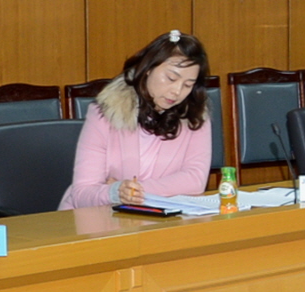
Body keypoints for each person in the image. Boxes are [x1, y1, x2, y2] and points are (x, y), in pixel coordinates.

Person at [62, 31, 216, 208]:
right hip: (99, 217)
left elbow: (195, 180)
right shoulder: (105, 113)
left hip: (160, 217)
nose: (177, 91)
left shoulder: (194, 117)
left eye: (188, 85)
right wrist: (115, 192)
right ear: (148, 68)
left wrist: (133, 191)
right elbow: (82, 194)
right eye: (171, 78)